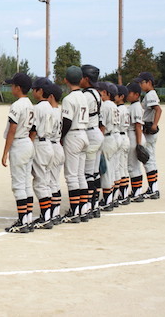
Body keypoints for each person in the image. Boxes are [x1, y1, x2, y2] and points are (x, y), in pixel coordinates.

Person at [1, 73, 35, 233]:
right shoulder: (30, 104)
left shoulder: (17, 105)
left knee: (18, 185)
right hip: (28, 143)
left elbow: (12, 129)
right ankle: (27, 218)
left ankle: (22, 221)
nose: (11, 87)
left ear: (18, 88)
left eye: (12, 85)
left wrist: (5, 151)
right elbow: (33, 129)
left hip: (19, 144)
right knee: (26, 183)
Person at [59, 66, 90, 224]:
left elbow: (67, 122)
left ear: (66, 80)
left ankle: (75, 211)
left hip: (73, 135)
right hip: (84, 133)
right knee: (80, 175)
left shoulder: (68, 99)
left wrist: (60, 137)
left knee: (71, 176)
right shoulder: (84, 96)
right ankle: (83, 210)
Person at [29, 77, 55, 229]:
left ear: (41, 91)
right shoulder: (50, 107)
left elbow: (33, 130)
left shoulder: (38, 108)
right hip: (50, 144)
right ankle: (48, 214)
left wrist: (29, 145)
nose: (33, 91)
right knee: (45, 181)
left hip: (40, 144)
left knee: (40, 183)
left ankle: (45, 216)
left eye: (35, 89)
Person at [80, 64, 104, 220]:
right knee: (94, 173)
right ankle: (95, 205)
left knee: (87, 173)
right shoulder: (97, 93)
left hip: (90, 133)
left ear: (86, 79)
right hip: (97, 132)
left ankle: (87, 206)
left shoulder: (86, 96)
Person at [135, 72, 162, 199]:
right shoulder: (149, 94)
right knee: (151, 159)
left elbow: (158, 109)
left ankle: (153, 189)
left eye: (142, 82)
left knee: (148, 159)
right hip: (148, 128)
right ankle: (153, 187)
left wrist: (154, 125)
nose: (140, 85)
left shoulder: (151, 94)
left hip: (149, 130)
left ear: (149, 82)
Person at [98, 82, 122, 211]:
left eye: (102, 92)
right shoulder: (114, 105)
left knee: (106, 171)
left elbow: (102, 125)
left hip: (108, 137)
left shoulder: (105, 105)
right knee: (112, 169)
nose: (100, 94)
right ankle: (112, 198)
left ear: (107, 93)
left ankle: (107, 201)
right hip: (116, 136)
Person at [45, 83, 65, 224]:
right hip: (59, 146)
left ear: (51, 97)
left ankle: (51, 214)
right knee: (55, 181)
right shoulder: (61, 112)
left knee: (50, 182)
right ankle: (56, 212)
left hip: (51, 146)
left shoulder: (50, 112)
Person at [126, 81, 146, 202]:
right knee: (135, 166)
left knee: (133, 166)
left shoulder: (136, 107)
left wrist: (138, 144)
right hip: (135, 135)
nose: (127, 95)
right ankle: (136, 191)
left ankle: (136, 192)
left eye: (130, 93)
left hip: (135, 136)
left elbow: (138, 126)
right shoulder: (134, 106)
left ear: (137, 95)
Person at [114, 85, 131, 204]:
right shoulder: (125, 109)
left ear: (121, 97)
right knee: (124, 167)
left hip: (120, 135)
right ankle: (124, 194)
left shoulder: (119, 110)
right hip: (125, 136)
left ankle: (121, 195)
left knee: (120, 168)